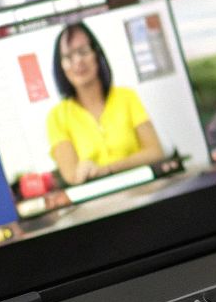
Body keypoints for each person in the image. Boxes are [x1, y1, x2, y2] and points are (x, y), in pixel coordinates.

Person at [44, 22, 166, 185]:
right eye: (68, 56)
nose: (78, 61)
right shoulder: (56, 117)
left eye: (83, 51)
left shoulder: (127, 97)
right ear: (60, 66)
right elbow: (71, 175)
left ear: (97, 54)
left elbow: (155, 152)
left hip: (145, 190)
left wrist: (107, 169)